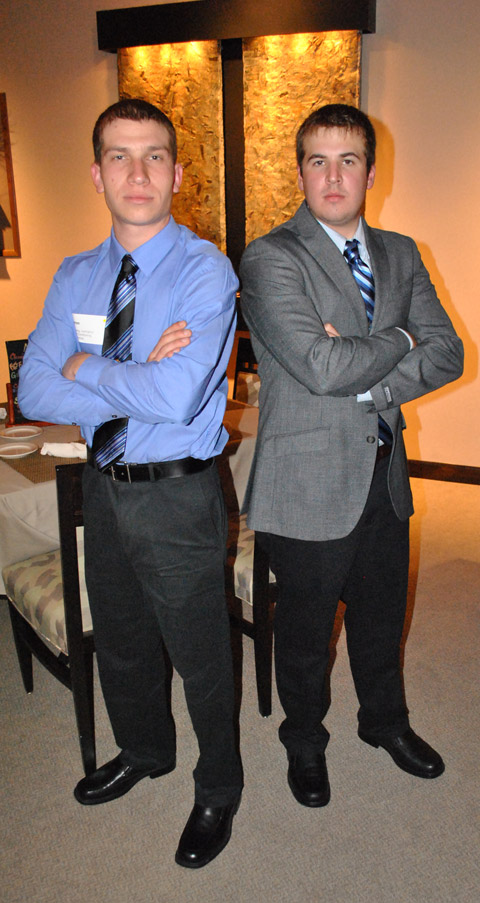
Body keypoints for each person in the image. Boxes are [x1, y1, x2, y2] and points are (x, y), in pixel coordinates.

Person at [18, 98, 243, 868]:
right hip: (104, 486)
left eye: (154, 156)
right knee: (119, 637)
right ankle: (147, 749)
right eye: (120, 155)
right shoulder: (74, 275)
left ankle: (219, 784)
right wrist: (137, 373)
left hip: (178, 493)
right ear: (97, 174)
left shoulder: (206, 270)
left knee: (200, 652)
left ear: (177, 173)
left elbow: (178, 398)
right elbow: (34, 389)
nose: (137, 172)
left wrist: (85, 365)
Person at [239, 104, 463, 808]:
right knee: (306, 635)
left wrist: (370, 374)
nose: (333, 176)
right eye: (318, 161)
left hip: (384, 477)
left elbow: (450, 352)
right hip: (304, 482)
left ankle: (384, 722)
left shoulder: (401, 252)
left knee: (380, 617)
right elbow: (318, 365)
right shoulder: (270, 256)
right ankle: (304, 740)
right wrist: (401, 340)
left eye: (348, 160)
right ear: (300, 172)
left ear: (370, 172)